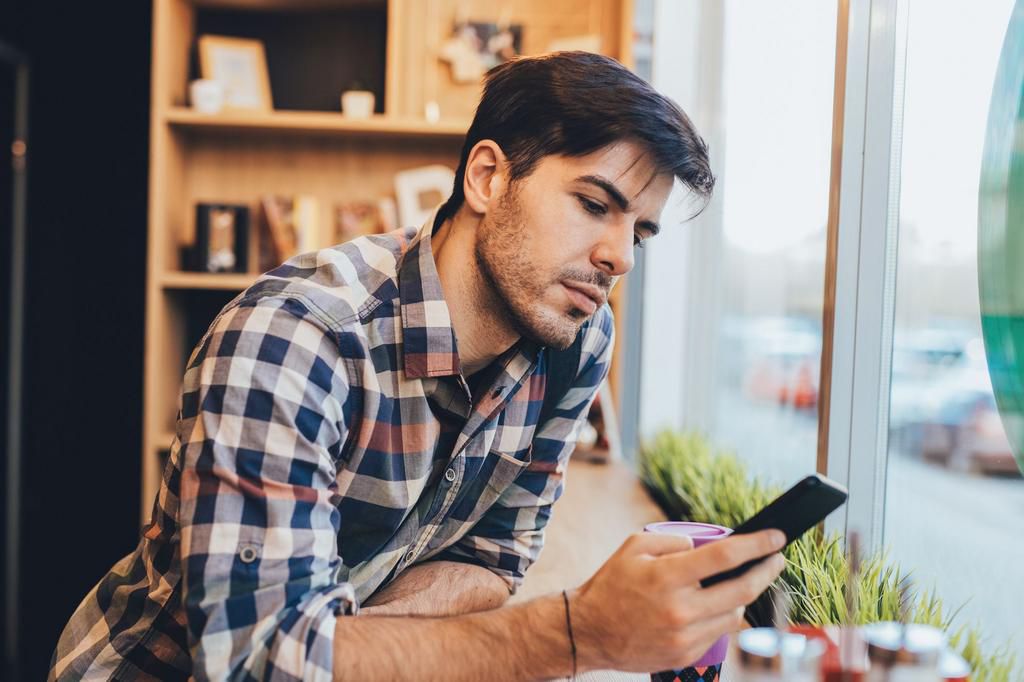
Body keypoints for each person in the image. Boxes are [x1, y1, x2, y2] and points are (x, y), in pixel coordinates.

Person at [49, 51, 786, 681]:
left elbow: (493, 557)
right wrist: (575, 632)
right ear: (489, 179)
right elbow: (258, 662)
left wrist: (351, 649)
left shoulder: (576, 343)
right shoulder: (299, 338)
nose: (620, 257)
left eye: (641, 233)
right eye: (595, 204)